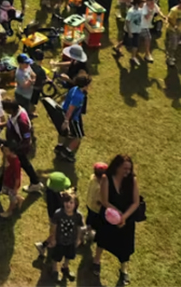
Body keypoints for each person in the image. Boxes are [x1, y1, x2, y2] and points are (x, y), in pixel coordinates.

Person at [93, 154, 140, 284]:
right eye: (125, 168)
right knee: (102, 239)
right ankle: (96, 260)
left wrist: (123, 218)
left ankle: (123, 270)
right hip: (109, 215)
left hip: (126, 219)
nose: (127, 171)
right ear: (117, 166)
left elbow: (135, 202)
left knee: (125, 246)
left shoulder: (132, 180)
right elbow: (105, 201)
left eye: (129, 169)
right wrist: (117, 215)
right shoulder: (106, 179)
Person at [47, 189, 84, 282]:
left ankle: (65, 267)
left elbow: (79, 227)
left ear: (75, 204)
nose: (68, 204)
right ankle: (55, 269)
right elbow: (54, 226)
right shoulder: (58, 214)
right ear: (63, 202)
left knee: (69, 255)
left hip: (71, 240)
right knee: (57, 256)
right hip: (59, 240)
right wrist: (53, 238)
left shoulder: (78, 215)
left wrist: (78, 238)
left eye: (71, 202)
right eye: (66, 202)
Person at [56, 73, 90, 160]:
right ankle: (67, 152)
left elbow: (66, 98)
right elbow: (71, 109)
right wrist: (66, 121)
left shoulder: (74, 89)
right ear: (85, 85)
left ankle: (59, 147)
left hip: (64, 112)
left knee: (63, 132)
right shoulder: (78, 96)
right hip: (73, 118)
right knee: (78, 137)